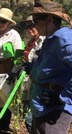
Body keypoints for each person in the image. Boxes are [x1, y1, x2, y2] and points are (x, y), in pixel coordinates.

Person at [28, 1, 72, 134]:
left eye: (36, 20)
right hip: (40, 106)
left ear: (49, 19)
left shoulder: (64, 39)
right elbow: (49, 67)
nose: (33, 25)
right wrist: (30, 67)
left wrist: (62, 98)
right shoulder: (50, 39)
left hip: (53, 111)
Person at [20, 15, 46, 133]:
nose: (29, 28)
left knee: (31, 118)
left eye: (32, 25)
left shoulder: (44, 42)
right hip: (26, 83)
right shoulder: (31, 41)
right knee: (26, 114)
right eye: (27, 26)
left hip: (37, 85)